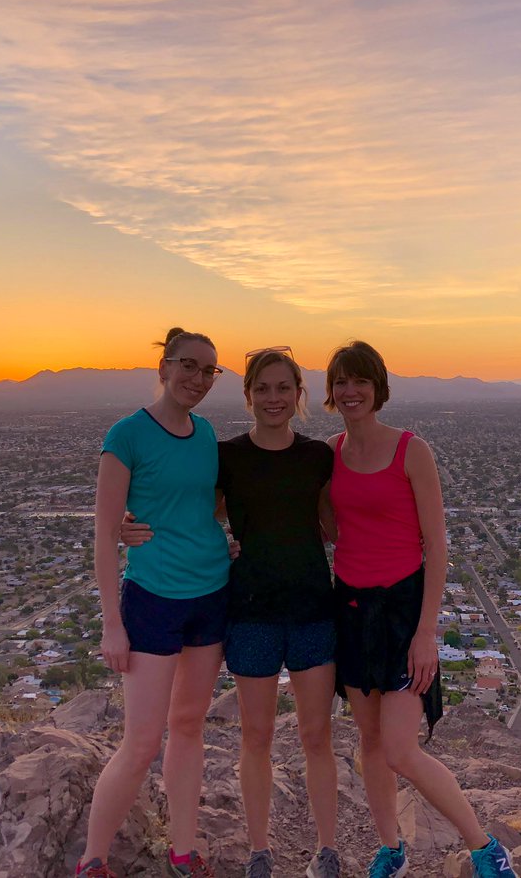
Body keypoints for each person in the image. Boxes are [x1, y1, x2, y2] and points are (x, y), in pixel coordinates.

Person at [124, 346, 342, 878]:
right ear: (247, 396)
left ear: (298, 395)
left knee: (318, 736)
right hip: (249, 613)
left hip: (313, 609)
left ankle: (327, 850)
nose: (273, 398)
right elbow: (191, 510)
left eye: (283, 388)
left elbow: (335, 526)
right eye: (262, 388)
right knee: (256, 736)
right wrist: (132, 524)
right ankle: (260, 850)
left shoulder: (318, 458)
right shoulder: (229, 456)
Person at [324, 340, 517, 878]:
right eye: (341, 381)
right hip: (352, 607)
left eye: (360, 380)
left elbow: (437, 545)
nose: (350, 390)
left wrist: (426, 631)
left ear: (378, 387)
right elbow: (318, 525)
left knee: (401, 749)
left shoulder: (412, 451)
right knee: (369, 741)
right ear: (330, 391)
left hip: (405, 610)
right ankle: (392, 849)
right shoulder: (331, 454)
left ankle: (485, 849)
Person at [76, 328, 230, 878]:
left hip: (212, 593)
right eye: (188, 365)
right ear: (163, 367)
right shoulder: (127, 435)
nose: (197, 379)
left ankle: (183, 852)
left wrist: (223, 537)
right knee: (141, 742)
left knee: (189, 726)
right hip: (153, 599)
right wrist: (111, 624)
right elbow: (102, 532)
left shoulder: (207, 433)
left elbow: (202, 508)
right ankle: (93, 861)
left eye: (208, 371)